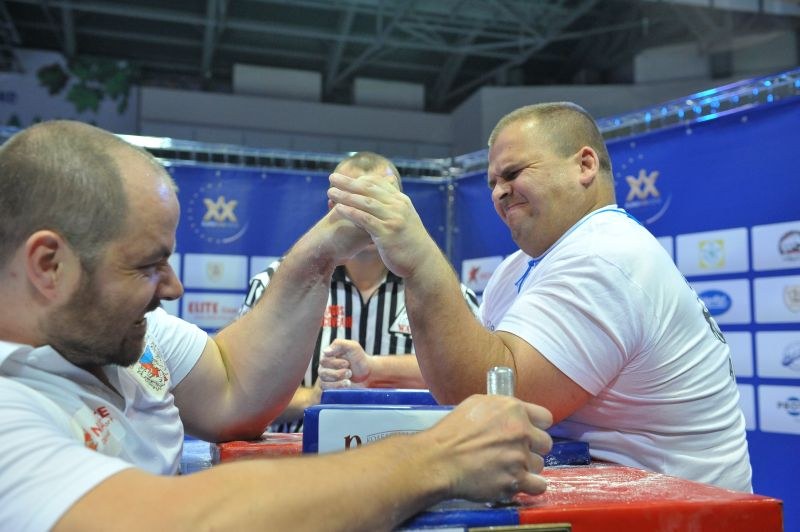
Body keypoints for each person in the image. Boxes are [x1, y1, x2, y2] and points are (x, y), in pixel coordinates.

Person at [0, 120, 555, 531]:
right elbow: (181, 522)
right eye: (147, 265)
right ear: (49, 265)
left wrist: (323, 249)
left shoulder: (117, 332)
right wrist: (443, 457)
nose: (172, 288)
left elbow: (232, 389)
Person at [325, 101, 753, 492]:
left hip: (685, 511)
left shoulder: (606, 256)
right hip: (622, 495)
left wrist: (419, 260)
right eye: (493, 181)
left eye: (512, 174)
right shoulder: (519, 267)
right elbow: (482, 366)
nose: (498, 191)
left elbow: (491, 399)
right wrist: (378, 368)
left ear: (584, 165)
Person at [240, 151, 480, 431]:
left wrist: (375, 368)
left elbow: (474, 383)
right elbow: (239, 392)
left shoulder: (443, 290)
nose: (369, 215)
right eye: (355, 202)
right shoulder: (276, 284)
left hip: (411, 462)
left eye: (382, 202)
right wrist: (314, 397)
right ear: (332, 206)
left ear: (404, 209)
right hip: (298, 465)